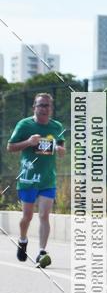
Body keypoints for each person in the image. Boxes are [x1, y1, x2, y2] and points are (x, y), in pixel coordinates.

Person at [7, 92, 66, 268]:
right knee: (27, 217)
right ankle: (23, 240)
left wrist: (61, 150)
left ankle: (42, 251)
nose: (44, 109)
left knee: (44, 215)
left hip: (48, 180)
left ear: (51, 108)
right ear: (34, 107)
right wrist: (28, 142)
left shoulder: (56, 126)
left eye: (47, 105)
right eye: (40, 105)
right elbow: (10, 147)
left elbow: (61, 148)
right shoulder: (24, 125)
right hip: (29, 179)